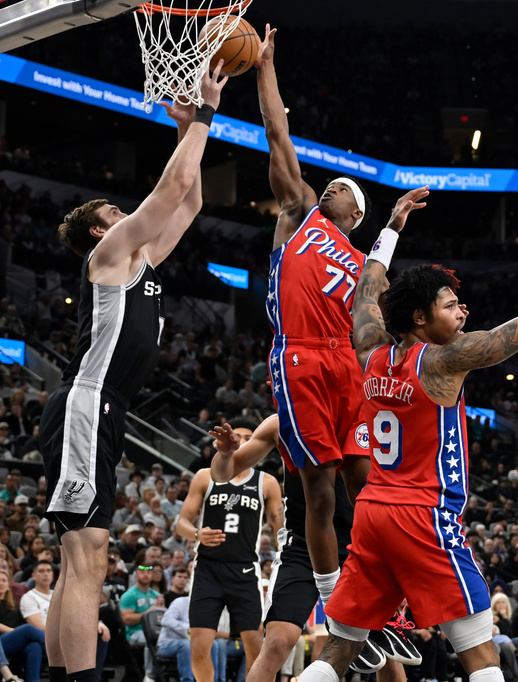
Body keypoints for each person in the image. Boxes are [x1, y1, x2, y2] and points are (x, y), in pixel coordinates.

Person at [293, 188, 518, 682]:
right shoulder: (443, 360)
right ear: (420, 318)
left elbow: (366, 294)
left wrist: (392, 229)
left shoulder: (371, 349)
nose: (462, 313)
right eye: (450, 305)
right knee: (482, 657)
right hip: (423, 516)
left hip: (372, 514)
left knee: (337, 650)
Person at [40, 61, 229, 682]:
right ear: (101, 228)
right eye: (117, 210)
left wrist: (185, 131)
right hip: (87, 402)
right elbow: (171, 191)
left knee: (77, 559)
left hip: (105, 409)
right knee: (86, 554)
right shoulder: (110, 252)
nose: (130, 214)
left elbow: (192, 197)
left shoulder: (142, 259)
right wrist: (202, 113)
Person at [253, 23, 373, 611]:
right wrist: (266, 67)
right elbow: (278, 133)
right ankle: (333, 606)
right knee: (319, 495)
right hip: (298, 353)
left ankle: (380, 590)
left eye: (342, 189)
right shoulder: (300, 213)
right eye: (329, 184)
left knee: (369, 490)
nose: (330, 188)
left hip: (347, 364)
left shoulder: (365, 267)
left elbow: (378, 333)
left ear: (357, 215)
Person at [210, 415, 413, 682]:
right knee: (276, 644)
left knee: (388, 659)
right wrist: (225, 454)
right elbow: (223, 473)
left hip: (359, 547)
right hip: (302, 548)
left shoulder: (368, 416)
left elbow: (396, 493)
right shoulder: (281, 421)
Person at [176, 417, 283, 681]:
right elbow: (182, 523)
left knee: (256, 649)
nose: (244, 442)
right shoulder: (205, 476)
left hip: (245, 570)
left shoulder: (267, 482)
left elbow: (281, 530)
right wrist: (197, 533)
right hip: (207, 570)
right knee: (199, 647)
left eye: (250, 438)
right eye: (240, 436)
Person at [0, 570, 47, 682]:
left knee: (35, 646)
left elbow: (21, 625)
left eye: (4, 581)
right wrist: (16, 632)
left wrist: (19, 633)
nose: (0, 583)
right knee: (27, 629)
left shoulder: (14, 606)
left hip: (16, 644)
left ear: (8, 585)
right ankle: (56, 648)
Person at [120, 563, 163, 682]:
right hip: (135, 632)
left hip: (156, 631)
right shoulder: (129, 595)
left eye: (149, 572)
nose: (146, 575)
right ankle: (149, 676)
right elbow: (126, 620)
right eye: (142, 572)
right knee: (151, 639)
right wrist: (148, 613)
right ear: (136, 575)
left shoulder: (157, 595)